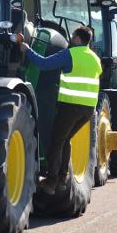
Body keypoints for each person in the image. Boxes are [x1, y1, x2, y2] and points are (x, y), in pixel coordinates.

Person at [19, 26, 102, 194]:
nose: (71, 39)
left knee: (57, 142)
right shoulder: (95, 58)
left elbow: (43, 64)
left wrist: (27, 50)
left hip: (71, 106)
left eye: (73, 36)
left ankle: (51, 182)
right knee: (65, 139)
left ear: (78, 38)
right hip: (88, 109)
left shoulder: (70, 54)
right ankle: (62, 179)